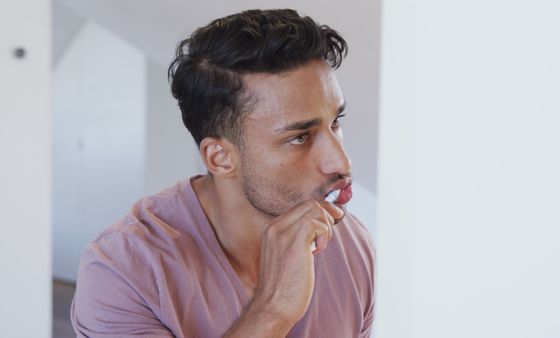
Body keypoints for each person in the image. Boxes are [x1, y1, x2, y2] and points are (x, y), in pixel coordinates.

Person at [71, 8, 375, 338]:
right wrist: (273, 310)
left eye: (335, 123)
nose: (341, 162)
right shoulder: (122, 273)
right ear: (220, 158)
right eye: (299, 138)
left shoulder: (351, 245)